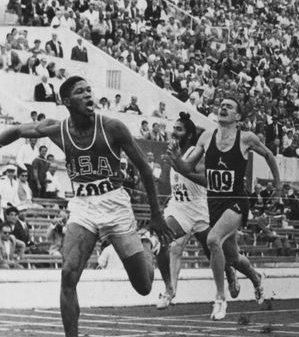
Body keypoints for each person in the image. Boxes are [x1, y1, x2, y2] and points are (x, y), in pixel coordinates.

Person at [0, 75, 174, 337]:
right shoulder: (57, 129)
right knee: (68, 275)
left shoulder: (113, 127)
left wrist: (156, 215)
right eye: (80, 92)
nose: (88, 96)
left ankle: (149, 243)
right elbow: (17, 131)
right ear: (67, 101)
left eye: (89, 91)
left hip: (115, 204)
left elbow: (145, 169)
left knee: (144, 286)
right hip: (83, 205)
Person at [169, 95, 281, 320]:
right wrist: (175, 159)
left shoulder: (246, 138)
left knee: (212, 240)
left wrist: (278, 185)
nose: (223, 108)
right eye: (221, 105)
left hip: (237, 200)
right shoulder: (206, 137)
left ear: (238, 116)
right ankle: (256, 278)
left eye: (229, 106)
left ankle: (220, 298)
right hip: (215, 202)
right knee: (233, 258)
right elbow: (188, 169)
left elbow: (268, 154)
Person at [157, 113, 239, 309]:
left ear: (189, 134)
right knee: (171, 246)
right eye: (173, 128)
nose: (174, 132)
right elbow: (167, 185)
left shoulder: (197, 153)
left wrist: (179, 164)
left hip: (201, 209)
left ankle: (229, 273)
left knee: (213, 249)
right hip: (179, 209)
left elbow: (203, 177)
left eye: (179, 129)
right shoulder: (170, 152)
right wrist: (168, 164)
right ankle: (170, 291)